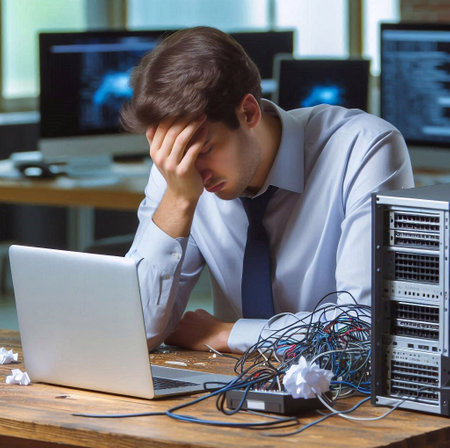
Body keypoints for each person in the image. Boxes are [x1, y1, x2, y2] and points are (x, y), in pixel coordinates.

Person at [122, 26, 414, 354]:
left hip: (344, 393)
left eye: (203, 150)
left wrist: (229, 334)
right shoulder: (179, 171)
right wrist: (177, 200)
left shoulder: (364, 149)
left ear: (248, 113)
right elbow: (133, 331)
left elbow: (364, 326)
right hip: (224, 390)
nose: (192, 173)